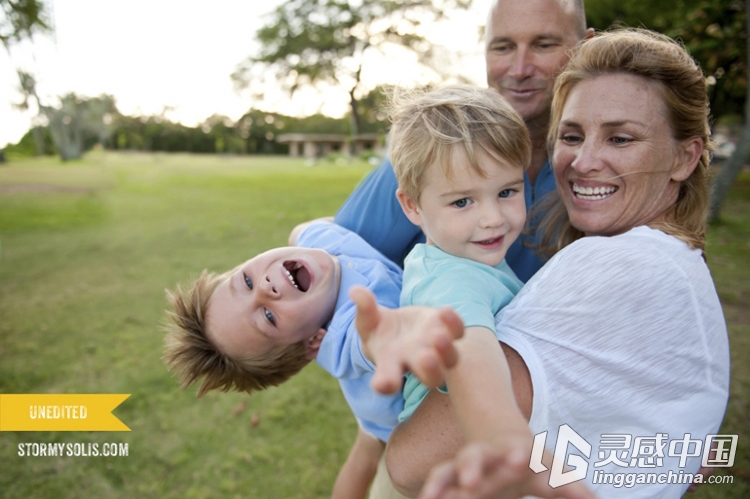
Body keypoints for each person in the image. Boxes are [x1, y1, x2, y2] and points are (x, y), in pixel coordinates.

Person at [352, 28, 730, 498]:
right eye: (571, 135)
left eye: (620, 138)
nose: (583, 161)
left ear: (684, 156)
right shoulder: (679, 266)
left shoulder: (617, 264)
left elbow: (410, 464)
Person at [163, 219, 443, 499]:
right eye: (268, 317)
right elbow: (372, 341)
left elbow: (300, 230)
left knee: (364, 452)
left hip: (362, 395)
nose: (264, 287)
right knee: (368, 455)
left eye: (247, 281)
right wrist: (389, 340)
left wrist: (303, 230)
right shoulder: (350, 330)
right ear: (313, 342)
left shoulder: (317, 244)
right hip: (385, 410)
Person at [333, 0, 593, 282]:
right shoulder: (435, 147)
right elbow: (336, 259)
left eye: (543, 45)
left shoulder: (604, 158)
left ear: (585, 47)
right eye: (502, 47)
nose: (519, 70)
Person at [385, 84, 528, 426]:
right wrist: (507, 434)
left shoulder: (460, 258)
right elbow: (472, 354)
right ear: (412, 206)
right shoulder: (450, 280)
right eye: (462, 202)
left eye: (507, 191)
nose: (494, 219)